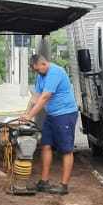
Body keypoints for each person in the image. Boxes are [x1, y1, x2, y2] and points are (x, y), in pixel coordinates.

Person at [17, 52, 80, 196]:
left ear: (44, 64)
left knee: (66, 149)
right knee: (45, 145)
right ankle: (43, 182)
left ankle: (64, 185)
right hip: (51, 116)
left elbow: (45, 98)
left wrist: (30, 116)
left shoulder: (54, 73)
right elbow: (35, 97)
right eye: (35, 71)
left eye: (38, 69)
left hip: (65, 115)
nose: (37, 73)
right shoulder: (41, 75)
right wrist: (26, 114)